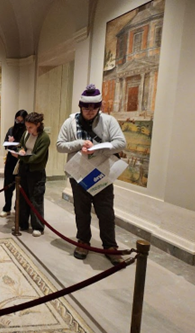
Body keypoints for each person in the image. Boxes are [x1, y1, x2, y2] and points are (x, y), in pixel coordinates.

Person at [56, 84, 127, 265]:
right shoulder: (70, 122)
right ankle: (83, 242)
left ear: (99, 107)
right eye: (86, 107)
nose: (90, 110)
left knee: (105, 211)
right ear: (80, 106)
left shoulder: (109, 122)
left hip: (102, 172)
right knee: (81, 211)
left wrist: (97, 150)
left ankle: (110, 246)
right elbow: (60, 145)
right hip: (79, 173)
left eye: (94, 107)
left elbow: (120, 143)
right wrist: (80, 143)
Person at [9, 112, 49, 238]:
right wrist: (20, 150)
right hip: (24, 169)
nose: (28, 130)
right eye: (27, 127)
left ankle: (37, 226)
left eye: (31, 127)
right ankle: (22, 223)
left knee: (36, 198)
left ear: (38, 125)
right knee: (22, 196)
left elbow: (38, 157)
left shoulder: (44, 138)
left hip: (36, 171)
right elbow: (21, 145)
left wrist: (23, 157)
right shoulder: (26, 134)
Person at [0, 109, 28, 217]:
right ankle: (7, 206)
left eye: (22, 121)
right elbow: (6, 144)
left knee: (21, 185)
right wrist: (10, 144)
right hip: (11, 160)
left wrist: (18, 148)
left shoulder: (27, 133)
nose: (19, 123)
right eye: (17, 120)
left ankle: (19, 208)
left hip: (22, 161)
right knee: (8, 183)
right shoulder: (11, 130)